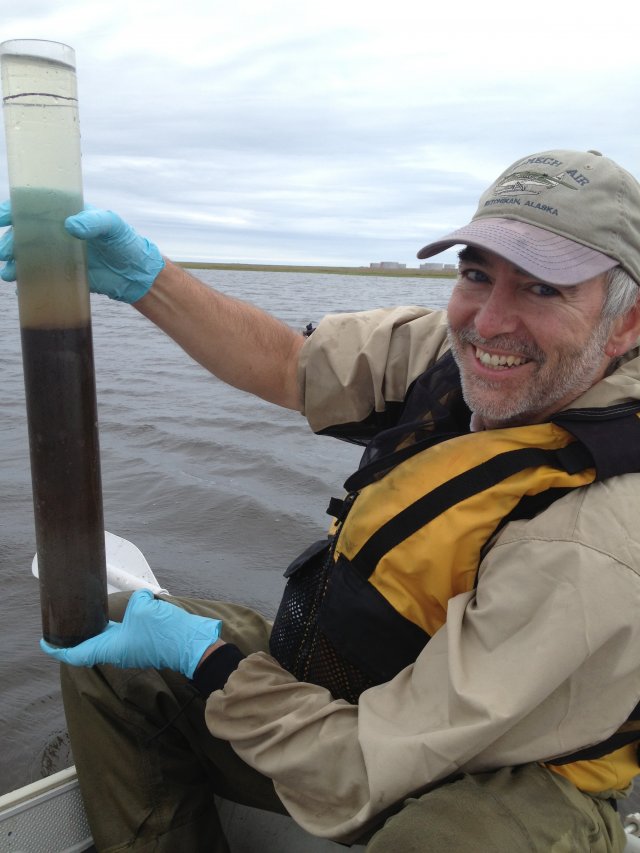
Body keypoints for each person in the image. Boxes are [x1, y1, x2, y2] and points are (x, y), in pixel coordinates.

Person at [3, 147, 640, 853]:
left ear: (627, 322)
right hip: (359, 700)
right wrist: (148, 280)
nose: (489, 323)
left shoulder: (593, 538)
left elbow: (364, 765)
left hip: (502, 776)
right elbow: (288, 363)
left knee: (445, 841)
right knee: (105, 645)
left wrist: (212, 664)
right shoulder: (458, 352)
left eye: (543, 288)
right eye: (476, 273)